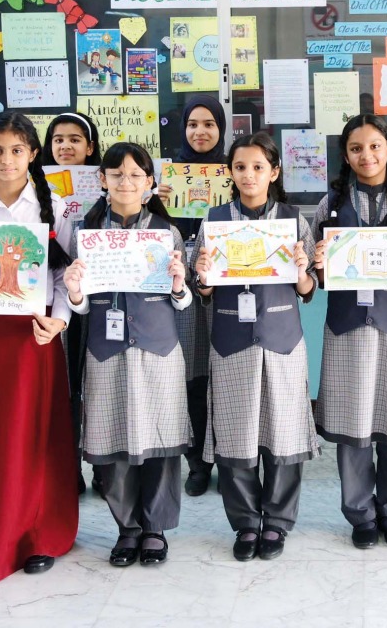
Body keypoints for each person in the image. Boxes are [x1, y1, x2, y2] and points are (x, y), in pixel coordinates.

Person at [0, 111, 77, 583]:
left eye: (17, 150)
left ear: (33, 154)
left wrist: (59, 321)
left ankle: (38, 533)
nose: (7, 160)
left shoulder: (55, 207)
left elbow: (64, 276)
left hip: (35, 333)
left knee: (35, 433)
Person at [193, 132, 319, 562]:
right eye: (241, 167)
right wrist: (203, 276)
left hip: (282, 341)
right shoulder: (214, 220)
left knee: (284, 432)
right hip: (231, 340)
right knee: (236, 434)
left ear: (274, 172)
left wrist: (302, 271)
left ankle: (277, 521)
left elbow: (308, 289)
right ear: (230, 172)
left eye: (258, 167)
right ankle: (246, 523)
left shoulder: (292, 220)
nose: (249, 175)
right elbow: (203, 290)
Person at [64, 142, 191, 567]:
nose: (126, 182)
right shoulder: (86, 233)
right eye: (116, 174)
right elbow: (80, 307)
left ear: (150, 182)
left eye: (136, 175)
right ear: (101, 179)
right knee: (111, 438)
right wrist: (75, 291)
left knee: (161, 439)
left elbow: (184, 302)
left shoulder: (166, 232)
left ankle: (155, 528)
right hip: (106, 349)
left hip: (158, 350)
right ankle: (128, 528)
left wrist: (178, 284)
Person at [312, 114, 387, 550]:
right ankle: (360, 513)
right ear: (346, 155)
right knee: (353, 422)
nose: (367, 155)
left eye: (375, 146)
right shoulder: (330, 204)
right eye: (356, 148)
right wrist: (319, 262)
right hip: (346, 330)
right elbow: (318, 280)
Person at [159, 95, 224, 497]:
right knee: (191, 376)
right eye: (192, 124)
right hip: (180, 287)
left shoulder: (234, 171)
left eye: (209, 124)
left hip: (224, 288)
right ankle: (197, 461)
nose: (200, 132)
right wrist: (156, 201)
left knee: (224, 374)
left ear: (221, 128)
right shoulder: (166, 178)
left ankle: (228, 456)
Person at [40, 111, 102, 496]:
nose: (65, 146)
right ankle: (70, 466)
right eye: (58, 139)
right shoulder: (36, 187)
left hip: (101, 295)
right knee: (64, 384)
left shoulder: (107, 183)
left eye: (75, 139)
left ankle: (103, 465)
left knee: (96, 380)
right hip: (56, 295)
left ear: (90, 147)